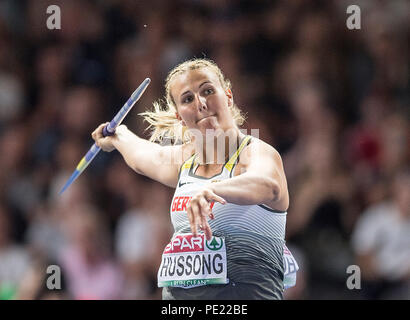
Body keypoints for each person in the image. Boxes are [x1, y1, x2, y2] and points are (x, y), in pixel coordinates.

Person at [92, 58, 297, 300]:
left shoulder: (256, 152)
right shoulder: (185, 162)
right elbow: (145, 155)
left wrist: (214, 189)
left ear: (228, 97)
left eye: (208, 91)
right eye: (188, 99)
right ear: (180, 116)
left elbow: (268, 185)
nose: (200, 103)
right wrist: (118, 136)